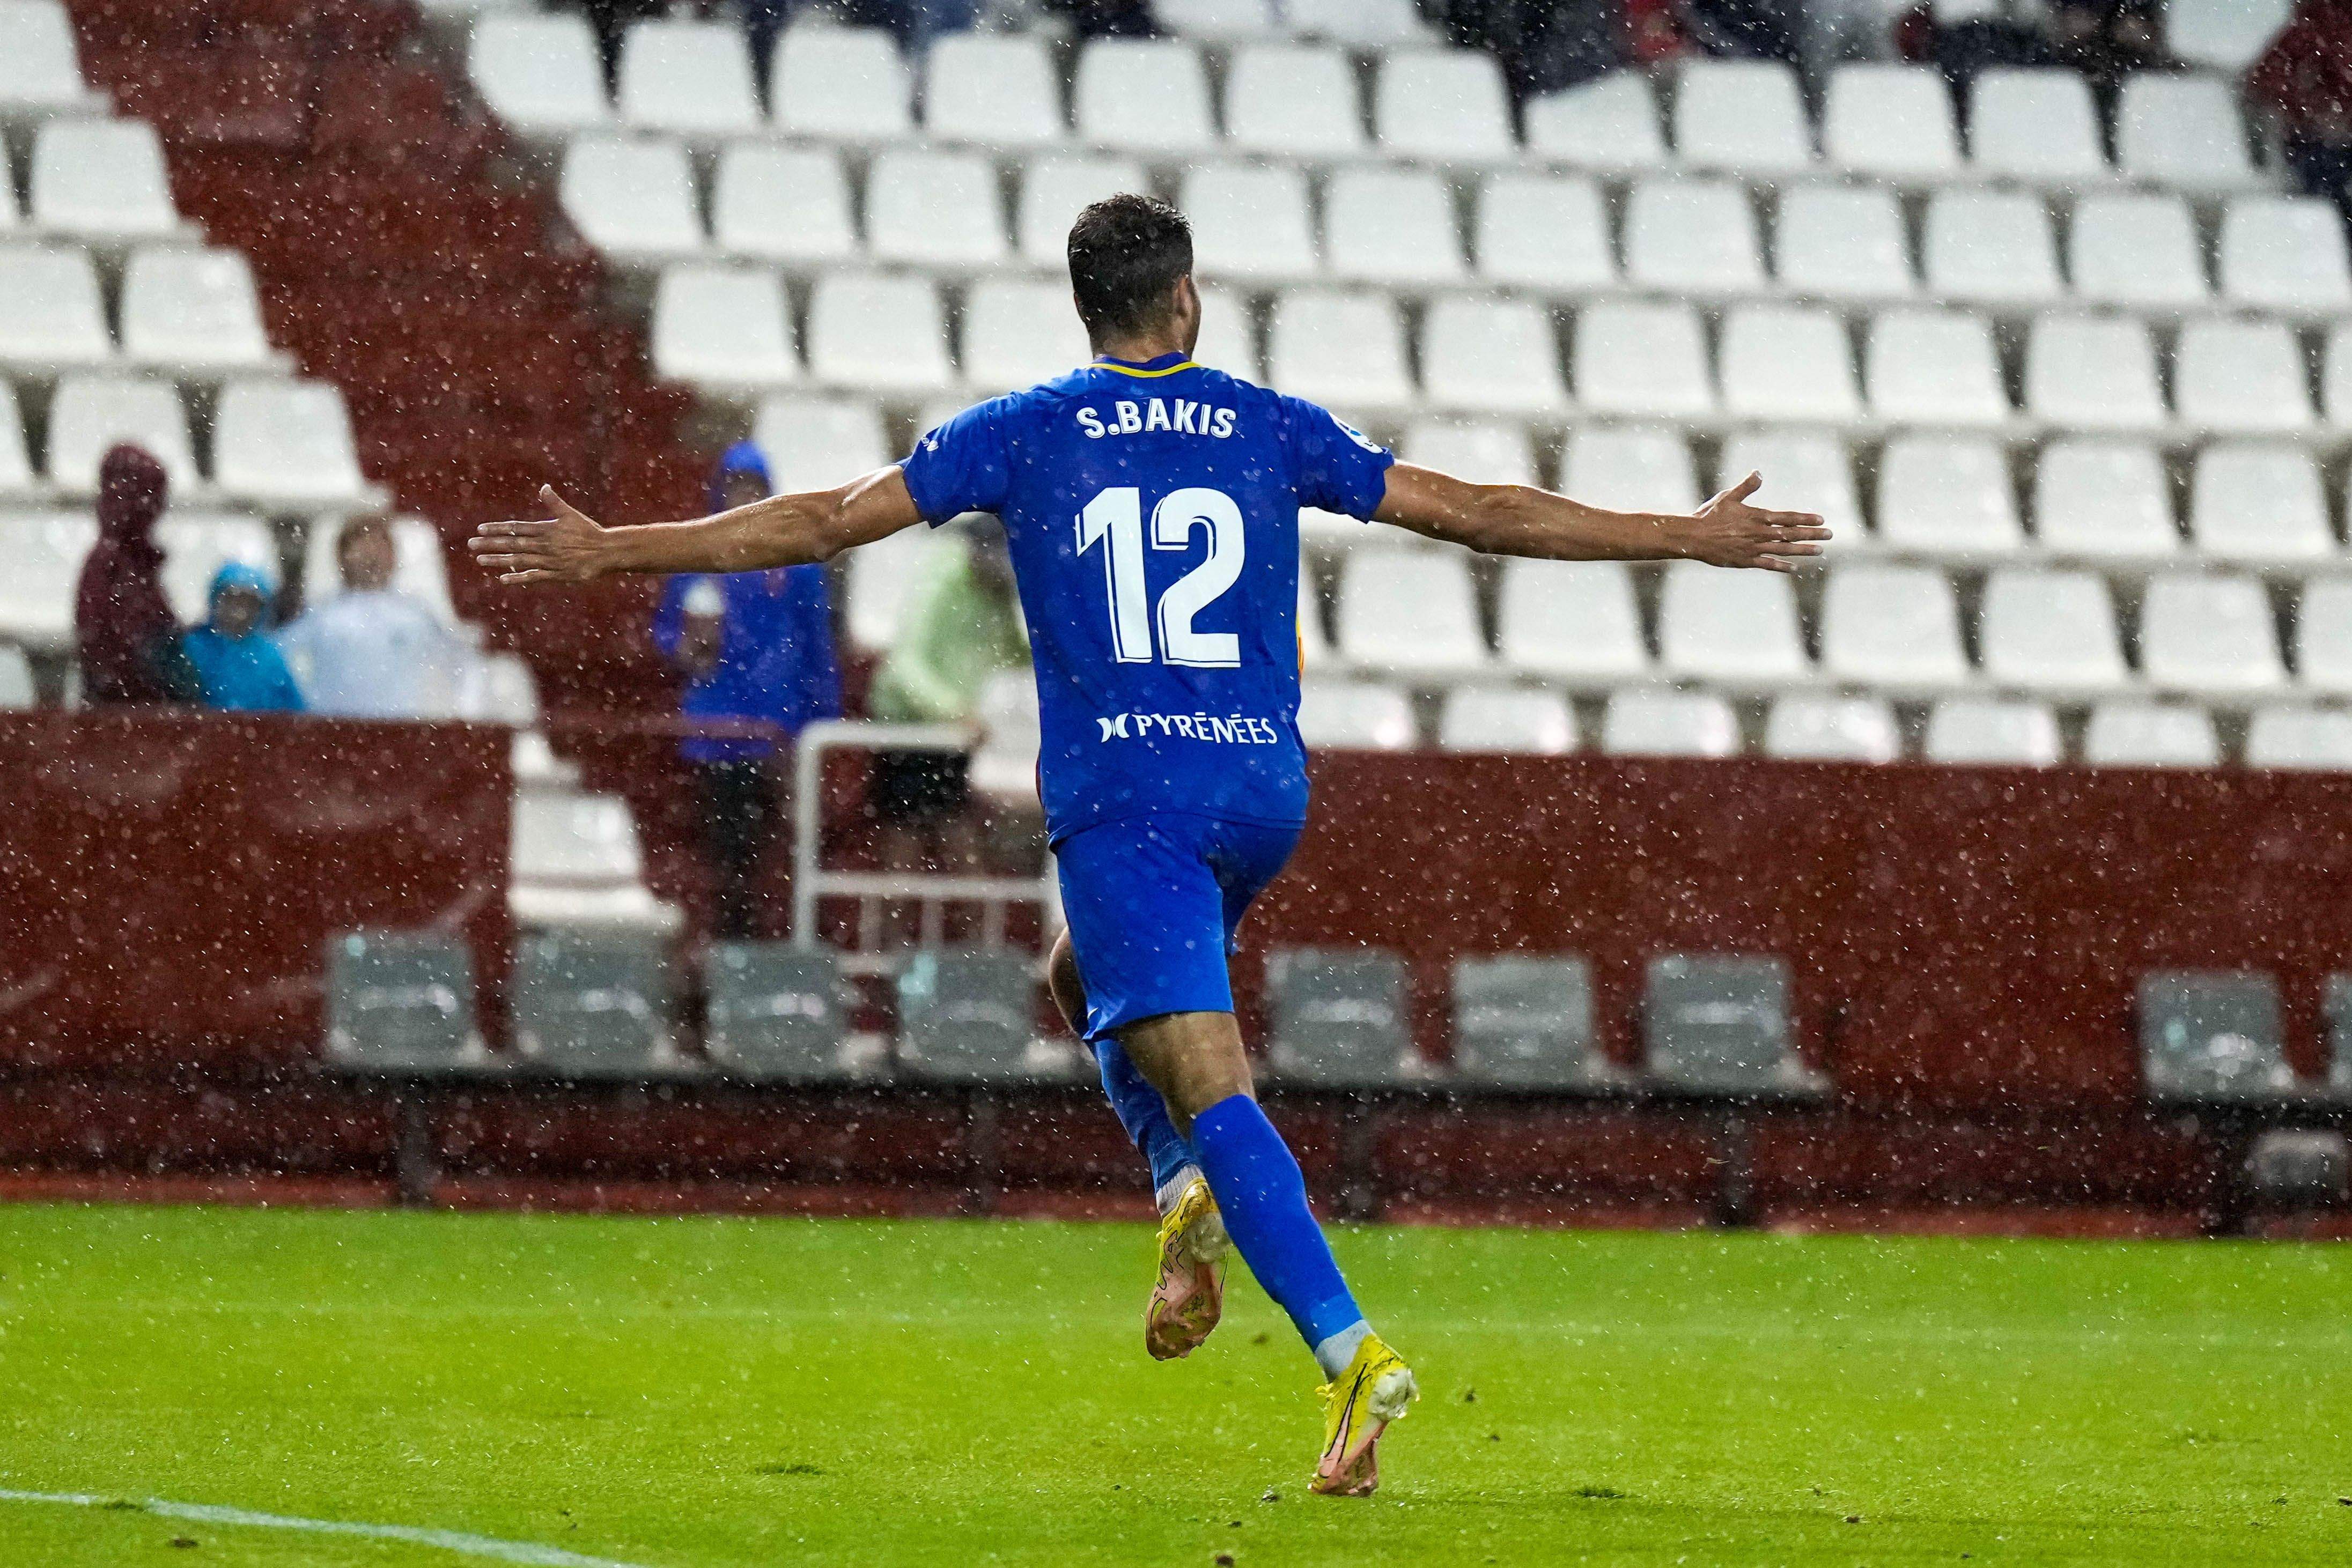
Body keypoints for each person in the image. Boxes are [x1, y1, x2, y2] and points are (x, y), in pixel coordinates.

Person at [471, 194, 1825, 1495]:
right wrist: (1679, 536)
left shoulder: (1023, 430)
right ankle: (1180, 1195)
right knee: (1081, 980)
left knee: (1210, 1072)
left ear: (1085, 306)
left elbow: (824, 523)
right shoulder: (1263, 423)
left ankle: (1351, 1353)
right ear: (1184, 295)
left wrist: (619, 553)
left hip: (1131, 799)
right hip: (1263, 794)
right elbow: (1478, 507)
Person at [649, 441, 842, 941]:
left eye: (753, 487)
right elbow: (669, 630)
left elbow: (816, 644)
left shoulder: (797, 562)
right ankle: (733, 944)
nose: (743, 498)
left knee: (780, 848)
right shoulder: (696, 554)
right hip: (716, 726)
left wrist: (822, 717)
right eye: (735, 486)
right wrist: (687, 651)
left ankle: (772, 945)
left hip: (778, 727)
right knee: (727, 848)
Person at [866, 517, 1029, 875]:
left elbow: (1017, 653)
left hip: (951, 733)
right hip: (909, 729)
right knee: (909, 838)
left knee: (956, 834)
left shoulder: (996, 591)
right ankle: (895, 931)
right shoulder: (942, 582)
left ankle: (970, 929)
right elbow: (904, 665)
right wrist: (953, 712)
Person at [278, 515, 462, 719]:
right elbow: (276, 661)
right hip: (334, 734)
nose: (371, 555)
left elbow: (459, 668)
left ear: (394, 556)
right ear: (341, 557)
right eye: (361, 546)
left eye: (379, 546)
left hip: (404, 735)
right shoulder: (321, 617)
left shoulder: (417, 617)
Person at [75, 443, 194, 706]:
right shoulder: (110, 563)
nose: (157, 507)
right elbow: (105, 647)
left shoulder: (137, 562)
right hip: (125, 712)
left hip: (140, 709)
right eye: (148, 496)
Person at [2248, 0, 2352, 233]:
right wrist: (2311, 111)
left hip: (2337, 140)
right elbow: (2266, 79)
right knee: (2326, 186)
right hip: (2318, 143)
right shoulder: (2318, 21)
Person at [180, 561, 305, 714]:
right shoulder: (191, 647)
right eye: (232, 600)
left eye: (250, 603)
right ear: (215, 600)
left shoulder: (270, 657)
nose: (240, 611)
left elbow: (295, 714)